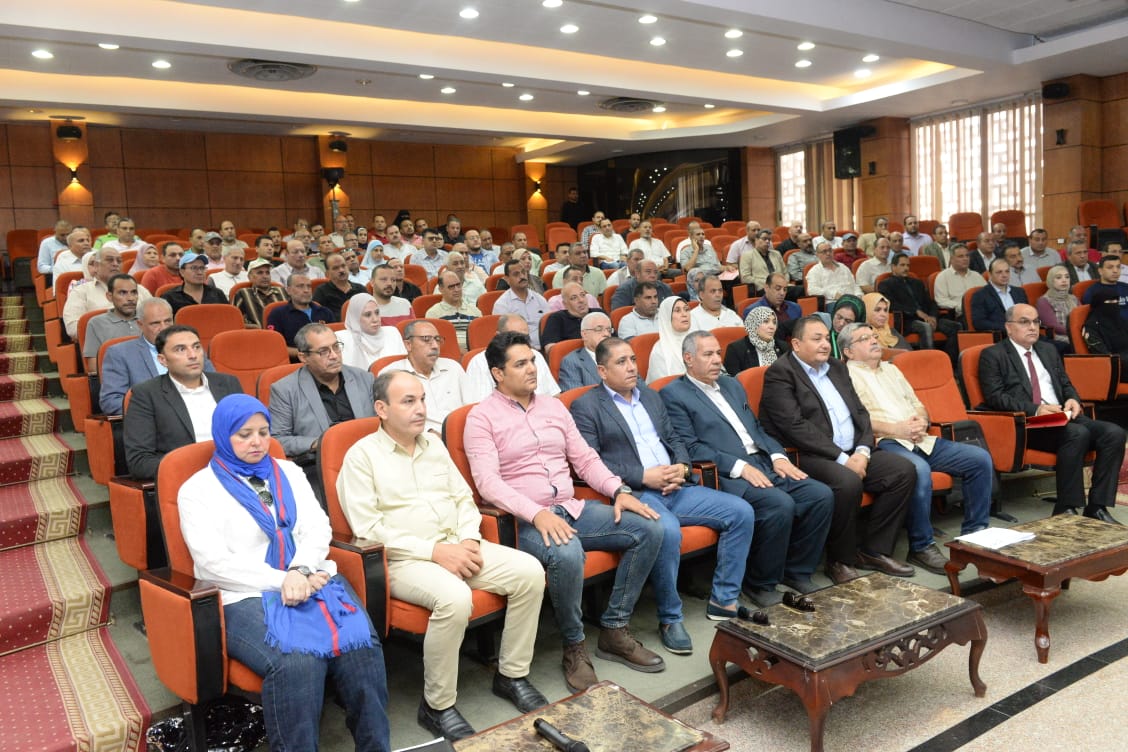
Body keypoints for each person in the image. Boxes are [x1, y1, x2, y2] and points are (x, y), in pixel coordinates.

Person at [337, 372, 547, 740]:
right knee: (454, 597)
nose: (420, 408)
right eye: (408, 401)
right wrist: (435, 552)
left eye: (422, 399)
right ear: (381, 409)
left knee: (529, 571)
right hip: (404, 560)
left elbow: (464, 499)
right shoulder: (361, 457)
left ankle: (511, 675)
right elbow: (368, 529)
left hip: (457, 543)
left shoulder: (433, 445)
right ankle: (437, 706)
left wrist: (468, 539)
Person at [178, 395, 390, 751]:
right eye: (244, 434)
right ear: (223, 436)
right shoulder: (197, 490)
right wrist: (284, 580)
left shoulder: (288, 471)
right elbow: (213, 562)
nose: (257, 442)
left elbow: (317, 527)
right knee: (298, 662)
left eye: (263, 432)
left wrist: (301, 569)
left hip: (311, 576)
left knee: (361, 646)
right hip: (244, 593)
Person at [465, 332, 667, 692]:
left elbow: (585, 459)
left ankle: (614, 629)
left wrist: (618, 490)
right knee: (567, 552)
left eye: (532, 361)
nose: (532, 369)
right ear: (498, 373)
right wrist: (536, 514)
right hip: (523, 523)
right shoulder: (481, 418)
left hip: (572, 508)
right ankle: (574, 645)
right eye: (520, 364)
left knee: (649, 527)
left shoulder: (554, 407)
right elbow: (488, 484)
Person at [573, 337, 755, 626]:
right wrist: (643, 476)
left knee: (741, 512)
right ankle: (670, 617)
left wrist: (681, 467)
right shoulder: (586, 406)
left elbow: (674, 439)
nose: (631, 367)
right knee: (667, 530)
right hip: (637, 493)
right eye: (621, 362)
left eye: (633, 359)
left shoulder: (650, 396)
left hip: (676, 486)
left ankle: (724, 599)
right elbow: (591, 462)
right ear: (602, 371)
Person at [662, 332, 833, 606]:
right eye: (708, 354)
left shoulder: (731, 384)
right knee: (779, 504)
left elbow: (756, 428)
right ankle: (759, 583)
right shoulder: (674, 394)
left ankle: (796, 571)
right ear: (688, 359)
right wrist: (739, 467)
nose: (717, 360)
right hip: (725, 474)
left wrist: (778, 456)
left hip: (763, 461)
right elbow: (690, 448)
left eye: (718, 353)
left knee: (820, 495)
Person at [759, 316, 916, 583]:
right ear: (796, 344)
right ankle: (840, 560)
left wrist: (863, 451)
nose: (825, 344)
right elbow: (794, 427)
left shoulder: (836, 367)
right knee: (848, 482)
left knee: (903, 471)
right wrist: (844, 459)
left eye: (826, 338)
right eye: (816, 339)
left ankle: (873, 550)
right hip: (808, 454)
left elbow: (860, 412)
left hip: (853, 450)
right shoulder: (780, 373)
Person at [840, 322, 993, 574]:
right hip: (885, 443)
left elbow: (918, 405)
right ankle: (921, 546)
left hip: (920, 438)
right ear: (848, 351)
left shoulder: (892, 369)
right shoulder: (845, 376)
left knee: (979, 459)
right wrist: (896, 429)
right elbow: (857, 422)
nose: (874, 340)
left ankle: (975, 534)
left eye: (874, 336)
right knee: (918, 469)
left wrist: (922, 420)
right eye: (864, 338)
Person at [978, 304, 1125, 522]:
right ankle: (1066, 507)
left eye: (1036, 321)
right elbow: (995, 397)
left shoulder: (1048, 350)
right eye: (1024, 322)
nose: (1032, 327)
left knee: (1114, 433)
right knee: (1077, 433)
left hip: (1062, 416)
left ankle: (1097, 506)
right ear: (1009, 327)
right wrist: (1036, 409)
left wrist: (1073, 399)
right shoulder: (993, 355)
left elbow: (1065, 384)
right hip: (1029, 423)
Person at [269, 323, 376, 499]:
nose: (334, 355)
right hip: (319, 466)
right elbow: (277, 439)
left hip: (368, 461)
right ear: (303, 357)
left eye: (336, 347)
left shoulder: (364, 379)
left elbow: (383, 422)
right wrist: (316, 443)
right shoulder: (285, 390)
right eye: (323, 351)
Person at [123, 325, 242, 480]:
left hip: (238, 473)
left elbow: (251, 433)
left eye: (196, 347)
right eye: (180, 349)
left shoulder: (228, 384)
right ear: (162, 360)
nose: (193, 355)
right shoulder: (146, 394)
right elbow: (139, 461)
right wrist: (200, 471)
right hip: (189, 480)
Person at [99, 298, 189, 415]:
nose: (164, 328)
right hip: (153, 420)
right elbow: (111, 402)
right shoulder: (120, 353)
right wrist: (157, 409)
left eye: (168, 321)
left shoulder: (191, 348)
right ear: (140, 325)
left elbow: (211, 385)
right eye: (155, 323)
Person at [379, 320, 467, 433]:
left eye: (437, 339)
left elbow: (472, 406)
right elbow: (392, 418)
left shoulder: (453, 368)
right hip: (417, 436)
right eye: (426, 339)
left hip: (461, 433)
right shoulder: (392, 375)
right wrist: (427, 434)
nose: (435, 346)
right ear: (408, 345)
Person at [464, 314, 559, 402]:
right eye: (513, 337)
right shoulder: (479, 362)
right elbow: (479, 404)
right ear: (498, 336)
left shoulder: (536, 355)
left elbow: (554, 395)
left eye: (525, 337)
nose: (520, 341)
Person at [878, 252, 960, 351]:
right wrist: (915, 311)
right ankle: (929, 358)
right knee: (926, 327)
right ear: (893, 267)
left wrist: (933, 316)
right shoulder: (885, 284)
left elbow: (931, 302)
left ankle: (949, 357)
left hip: (927, 317)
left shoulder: (917, 283)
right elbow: (890, 305)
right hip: (907, 320)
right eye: (902, 265)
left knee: (956, 326)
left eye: (908, 265)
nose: (906, 268)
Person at [266, 272, 337, 358]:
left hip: (328, 358)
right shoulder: (277, 314)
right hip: (296, 362)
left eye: (309, 286)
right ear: (288, 290)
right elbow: (275, 346)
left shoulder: (325, 312)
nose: (306, 290)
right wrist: (307, 354)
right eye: (300, 286)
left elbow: (336, 340)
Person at [82, 273, 141, 373]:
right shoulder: (96, 324)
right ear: (109, 296)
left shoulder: (148, 318)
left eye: (134, 292)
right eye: (123, 293)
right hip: (116, 378)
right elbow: (94, 368)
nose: (130, 298)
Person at [491, 259, 549, 350]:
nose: (522, 276)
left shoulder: (539, 299)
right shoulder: (502, 304)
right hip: (518, 350)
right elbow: (504, 338)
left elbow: (549, 326)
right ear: (507, 279)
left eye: (523, 272)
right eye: (516, 274)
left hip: (544, 349)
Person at [339, 293, 406, 370]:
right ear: (355, 318)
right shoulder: (343, 339)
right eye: (368, 315)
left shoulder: (392, 332)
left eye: (377, 313)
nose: (375, 319)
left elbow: (404, 366)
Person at [971, 257, 1029, 332]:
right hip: (1001, 335)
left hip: (1024, 332)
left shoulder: (1019, 292)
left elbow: (1028, 314)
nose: (1004, 275)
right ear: (990, 274)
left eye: (1007, 271)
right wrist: (1008, 328)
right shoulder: (980, 295)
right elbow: (979, 323)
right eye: (999, 272)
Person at [558, 311, 612, 391]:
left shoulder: (619, 354)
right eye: (599, 329)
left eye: (609, 330)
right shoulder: (571, 362)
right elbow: (577, 396)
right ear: (584, 334)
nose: (606, 334)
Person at [1082, 289, 1128, 381]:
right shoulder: (1091, 327)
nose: (1114, 304)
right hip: (1116, 367)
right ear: (1099, 304)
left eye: (1116, 301)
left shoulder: (1119, 320)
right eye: (1110, 302)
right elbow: (1103, 355)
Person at [162, 251, 229, 314]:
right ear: (182, 272)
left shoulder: (217, 294)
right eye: (194, 268)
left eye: (202, 268)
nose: (199, 272)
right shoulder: (170, 297)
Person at [723, 307, 785, 374]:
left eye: (774, 322)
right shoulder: (736, 349)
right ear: (754, 324)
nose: (772, 327)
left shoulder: (782, 346)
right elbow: (733, 379)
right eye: (766, 321)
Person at [647, 296, 691, 383]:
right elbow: (662, 386)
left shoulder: (698, 341)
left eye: (686, 309)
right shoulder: (659, 350)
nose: (684, 314)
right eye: (677, 311)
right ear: (667, 316)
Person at [233, 258, 288, 328]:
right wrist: (252, 327)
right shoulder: (243, 293)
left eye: (267, 273)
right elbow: (235, 321)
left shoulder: (282, 290)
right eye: (260, 273)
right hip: (257, 333)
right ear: (250, 277)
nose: (265, 276)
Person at [747, 272, 802, 339]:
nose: (782, 293)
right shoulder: (753, 311)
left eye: (785, 290)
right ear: (766, 288)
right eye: (778, 289)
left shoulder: (795, 308)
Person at [312, 253, 365, 319]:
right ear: (327, 273)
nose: (341, 270)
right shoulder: (321, 292)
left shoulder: (360, 289)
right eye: (335, 268)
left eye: (343, 266)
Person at [1036, 265, 1079, 346]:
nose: (1064, 280)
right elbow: (1053, 326)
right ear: (1051, 281)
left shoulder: (1073, 298)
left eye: (1067, 277)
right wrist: (1076, 332)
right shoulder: (1044, 301)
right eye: (1059, 277)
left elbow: (1083, 318)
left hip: (1077, 333)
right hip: (1059, 337)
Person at [829, 294, 865, 358]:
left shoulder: (863, 343)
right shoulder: (824, 339)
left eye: (848, 321)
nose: (841, 323)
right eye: (839, 317)